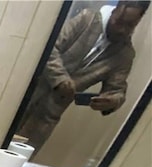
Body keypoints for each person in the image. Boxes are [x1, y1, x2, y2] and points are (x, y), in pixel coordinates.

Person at [17, 0, 150, 153]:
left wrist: (112, 101)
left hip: (47, 117)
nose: (122, 30)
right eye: (119, 22)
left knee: (20, 162)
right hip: (24, 94)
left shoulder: (124, 54)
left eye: (130, 25)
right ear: (114, 11)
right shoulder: (86, 19)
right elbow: (50, 47)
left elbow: (117, 90)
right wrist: (60, 79)